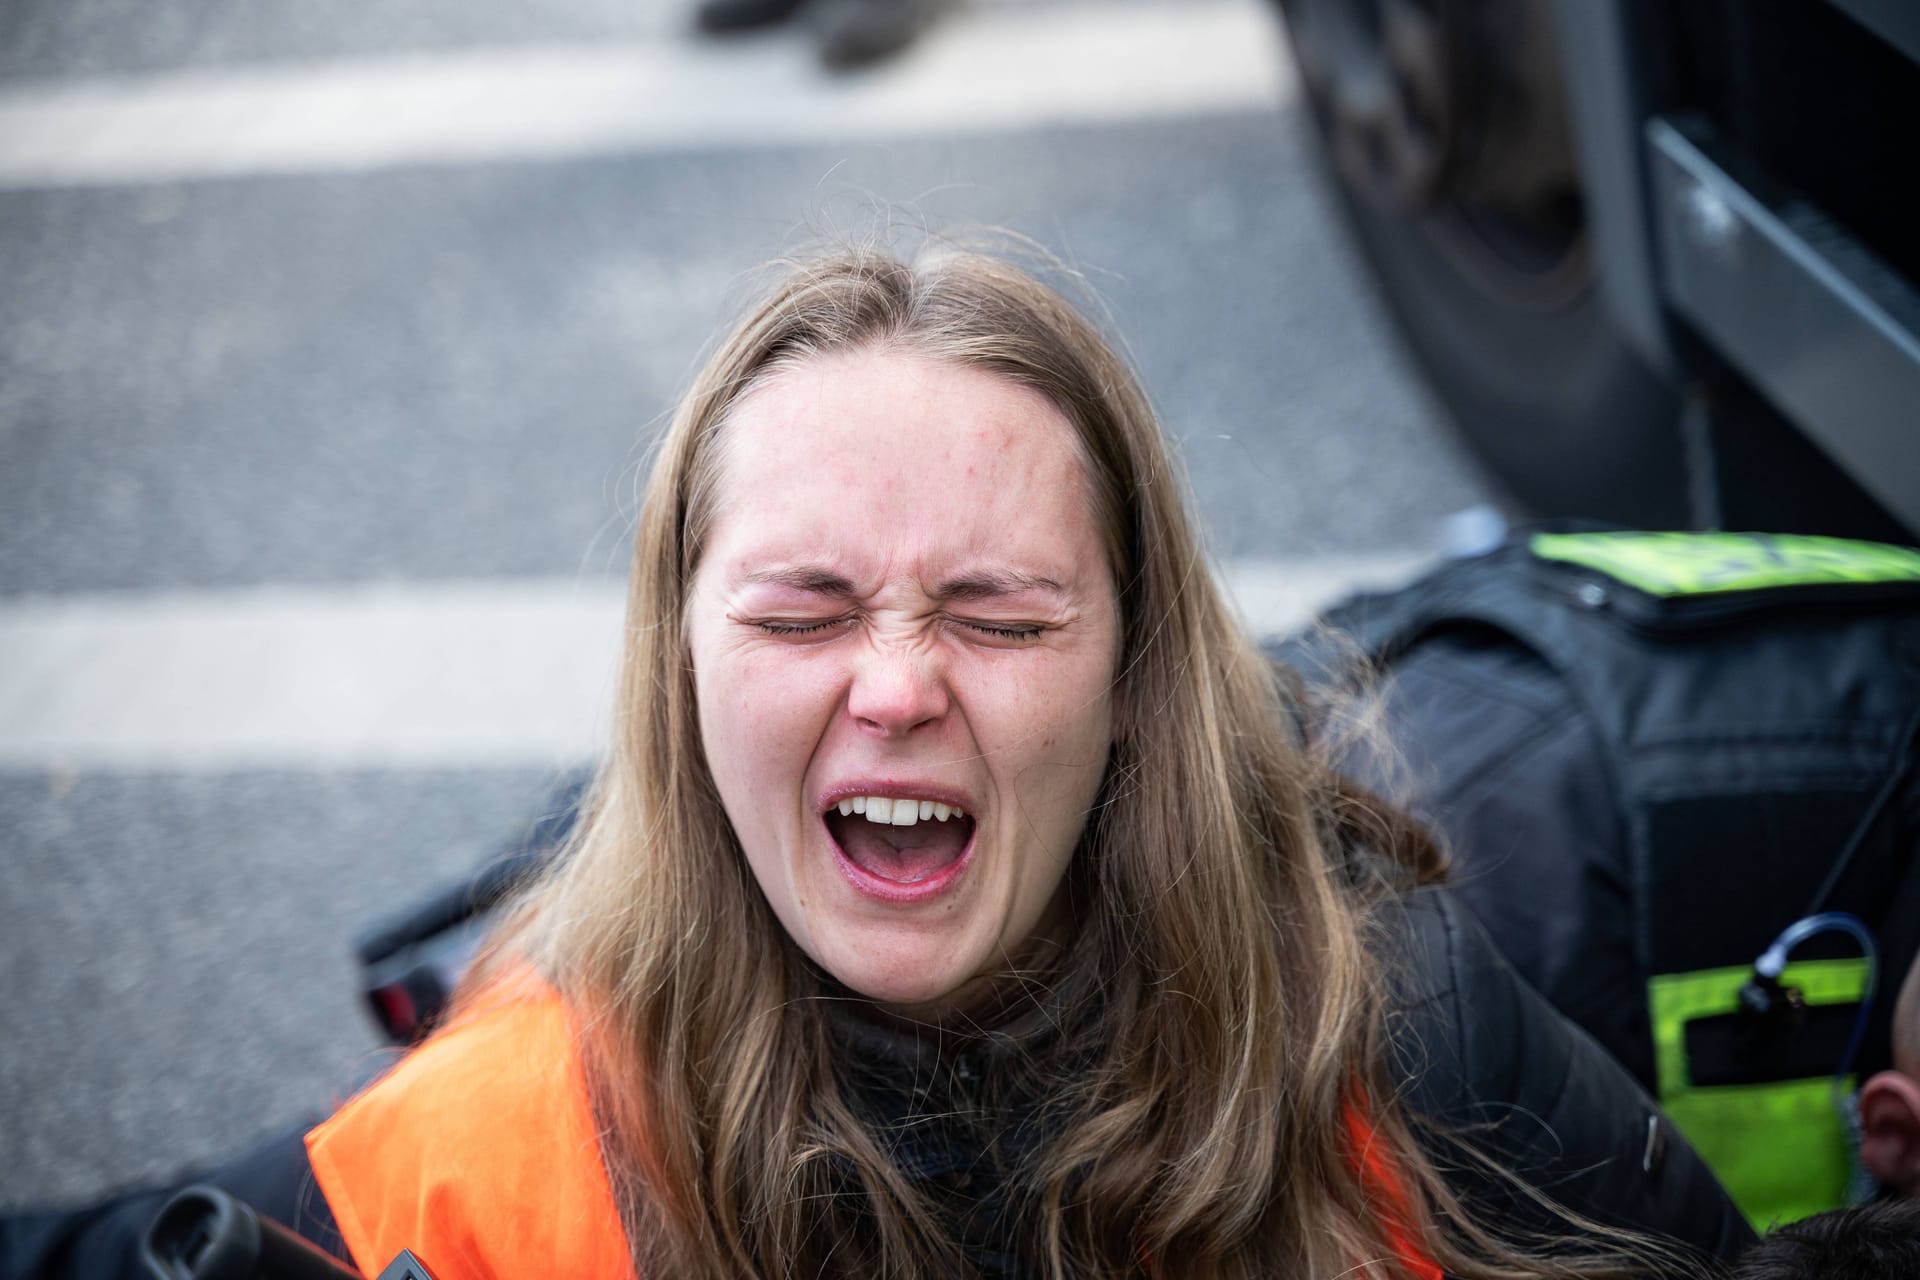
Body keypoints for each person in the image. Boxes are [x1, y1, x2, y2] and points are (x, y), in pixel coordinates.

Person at [4, 247, 1751, 1279]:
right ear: (676, 674)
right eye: (803, 611)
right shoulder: (496, 1140)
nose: (899, 685)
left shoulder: (1388, 1027)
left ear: (1139, 677)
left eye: (996, 615)